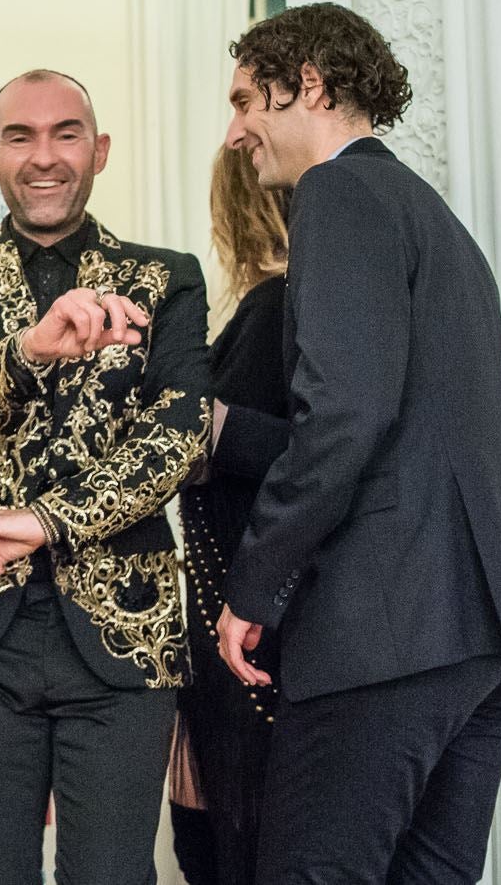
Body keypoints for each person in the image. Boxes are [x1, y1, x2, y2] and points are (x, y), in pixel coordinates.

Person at [212, 4, 501, 883]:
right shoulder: (429, 212)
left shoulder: (336, 192)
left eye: (244, 101)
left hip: (391, 621)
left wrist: (253, 584)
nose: (234, 134)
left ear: (308, 84)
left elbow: (344, 414)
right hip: (495, 622)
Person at [0, 69, 210, 885]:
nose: (44, 157)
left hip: (123, 630)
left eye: (66, 133)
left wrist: (46, 520)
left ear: (99, 150)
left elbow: (176, 439)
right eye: (19, 138)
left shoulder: (167, 278)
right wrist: (31, 351)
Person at [169, 144, 291, 885]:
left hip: (245, 634)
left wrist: (201, 427)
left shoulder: (274, 308)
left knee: (226, 848)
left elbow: (307, 454)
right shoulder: (265, 311)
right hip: (233, 629)